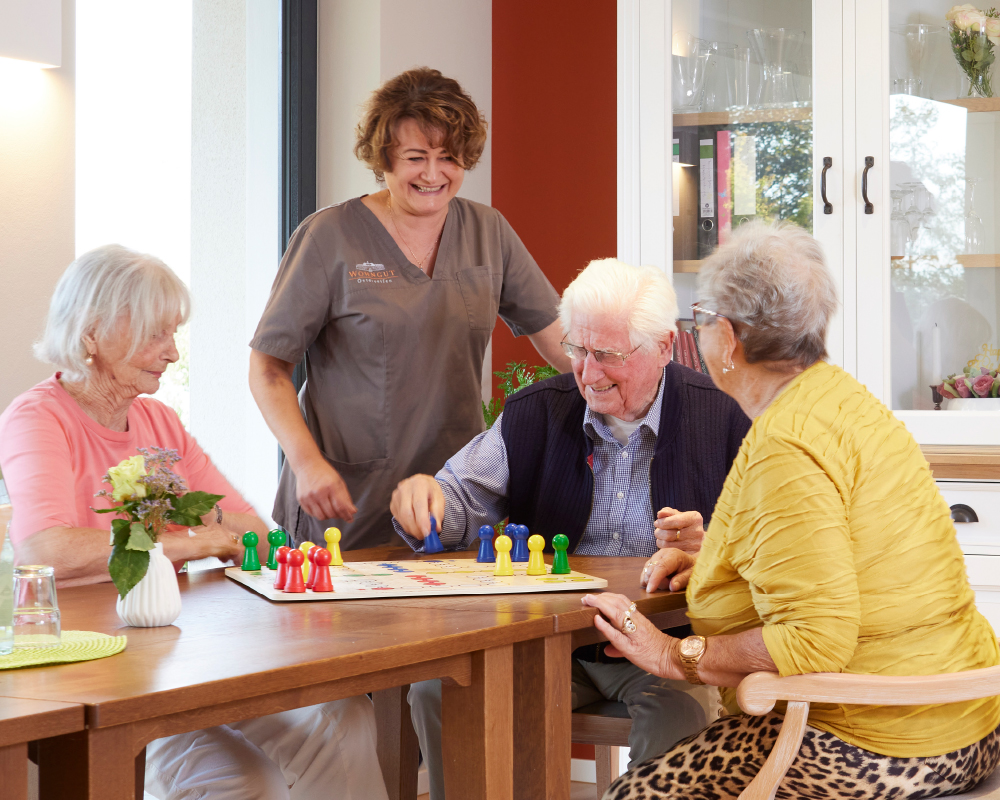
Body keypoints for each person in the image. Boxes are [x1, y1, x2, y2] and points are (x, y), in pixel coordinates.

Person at [583, 223, 1000, 800]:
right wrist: (716, 561)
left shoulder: (786, 442)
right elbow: (835, 550)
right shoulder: (843, 401)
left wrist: (672, 652)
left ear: (728, 338)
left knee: (631, 796)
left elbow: (813, 638)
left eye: (700, 319)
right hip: (961, 717)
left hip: (876, 736)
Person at [0, 245, 389, 800]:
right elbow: (47, 550)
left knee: (343, 720)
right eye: (158, 334)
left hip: (180, 654)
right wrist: (192, 540)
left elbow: (255, 528)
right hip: (97, 676)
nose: (173, 353)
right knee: (246, 782)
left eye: (173, 334)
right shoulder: (38, 418)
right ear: (93, 333)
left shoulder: (157, 419)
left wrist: (204, 519)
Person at [391, 257, 751, 800]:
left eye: (607, 355)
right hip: (546, 644)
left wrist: (714, 550)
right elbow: (460, 500)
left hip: (665, 647)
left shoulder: (724, 417)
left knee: (678, 715)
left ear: (661, 347)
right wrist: (427, 502)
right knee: (439, 691)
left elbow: (773, 555)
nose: (587, 372)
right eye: (578, 350)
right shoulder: (536, 412)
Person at [249, 67, 570, 551]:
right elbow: (268, 368)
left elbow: (563, 344)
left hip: (448, 503)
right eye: (415, 157)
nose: (432, 174)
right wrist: (306, 463)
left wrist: (636, 381)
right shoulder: (328, 237)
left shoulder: (489, 231)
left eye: (449, 158)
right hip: (343, 503)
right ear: (384, 159)